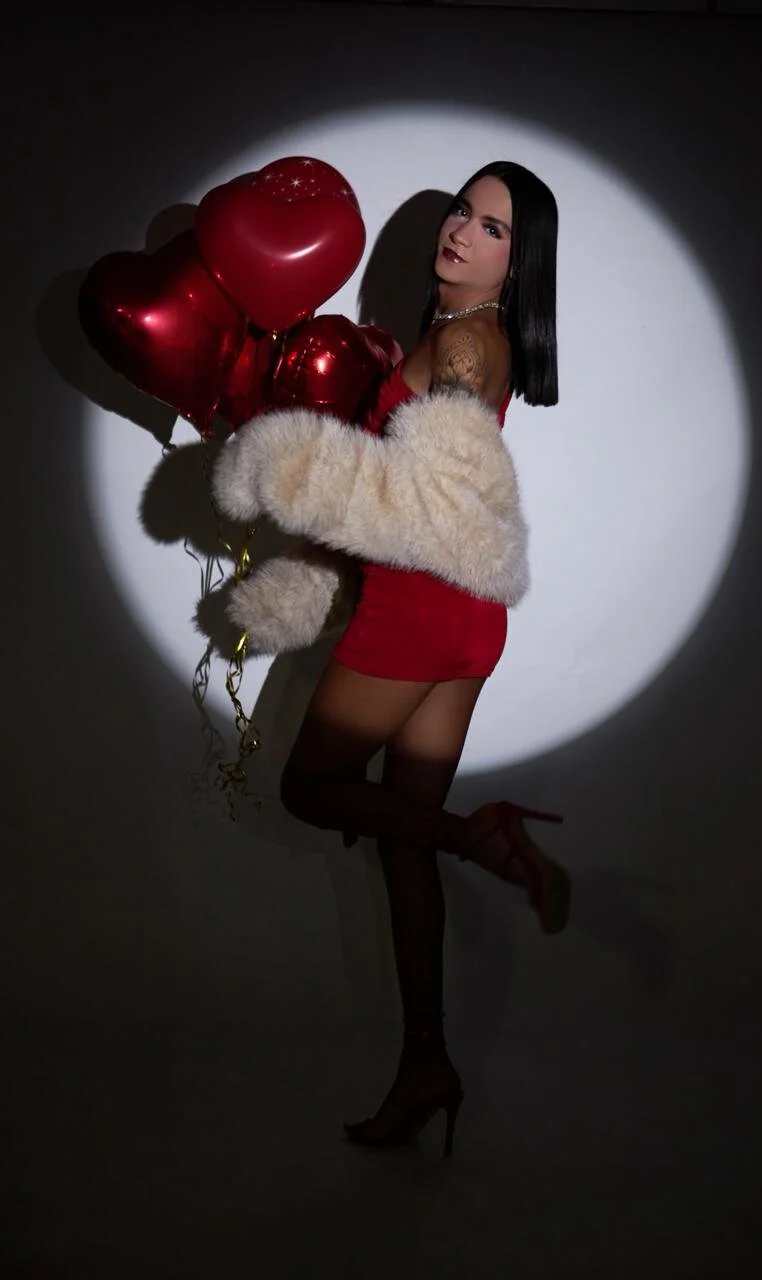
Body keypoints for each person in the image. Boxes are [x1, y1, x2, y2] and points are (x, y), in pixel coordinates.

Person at [211, 160, 570, 1158]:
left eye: (492, 227)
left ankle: (484, 841)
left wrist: (295, 475)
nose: (461, 229)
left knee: (310, 788)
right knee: (399, 843)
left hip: (419, 611)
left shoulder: (463, 343)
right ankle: (426, 1065)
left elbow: (425, 507)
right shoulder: (464, 336)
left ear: (517, 262)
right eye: (462, 210)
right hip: (464, 621)